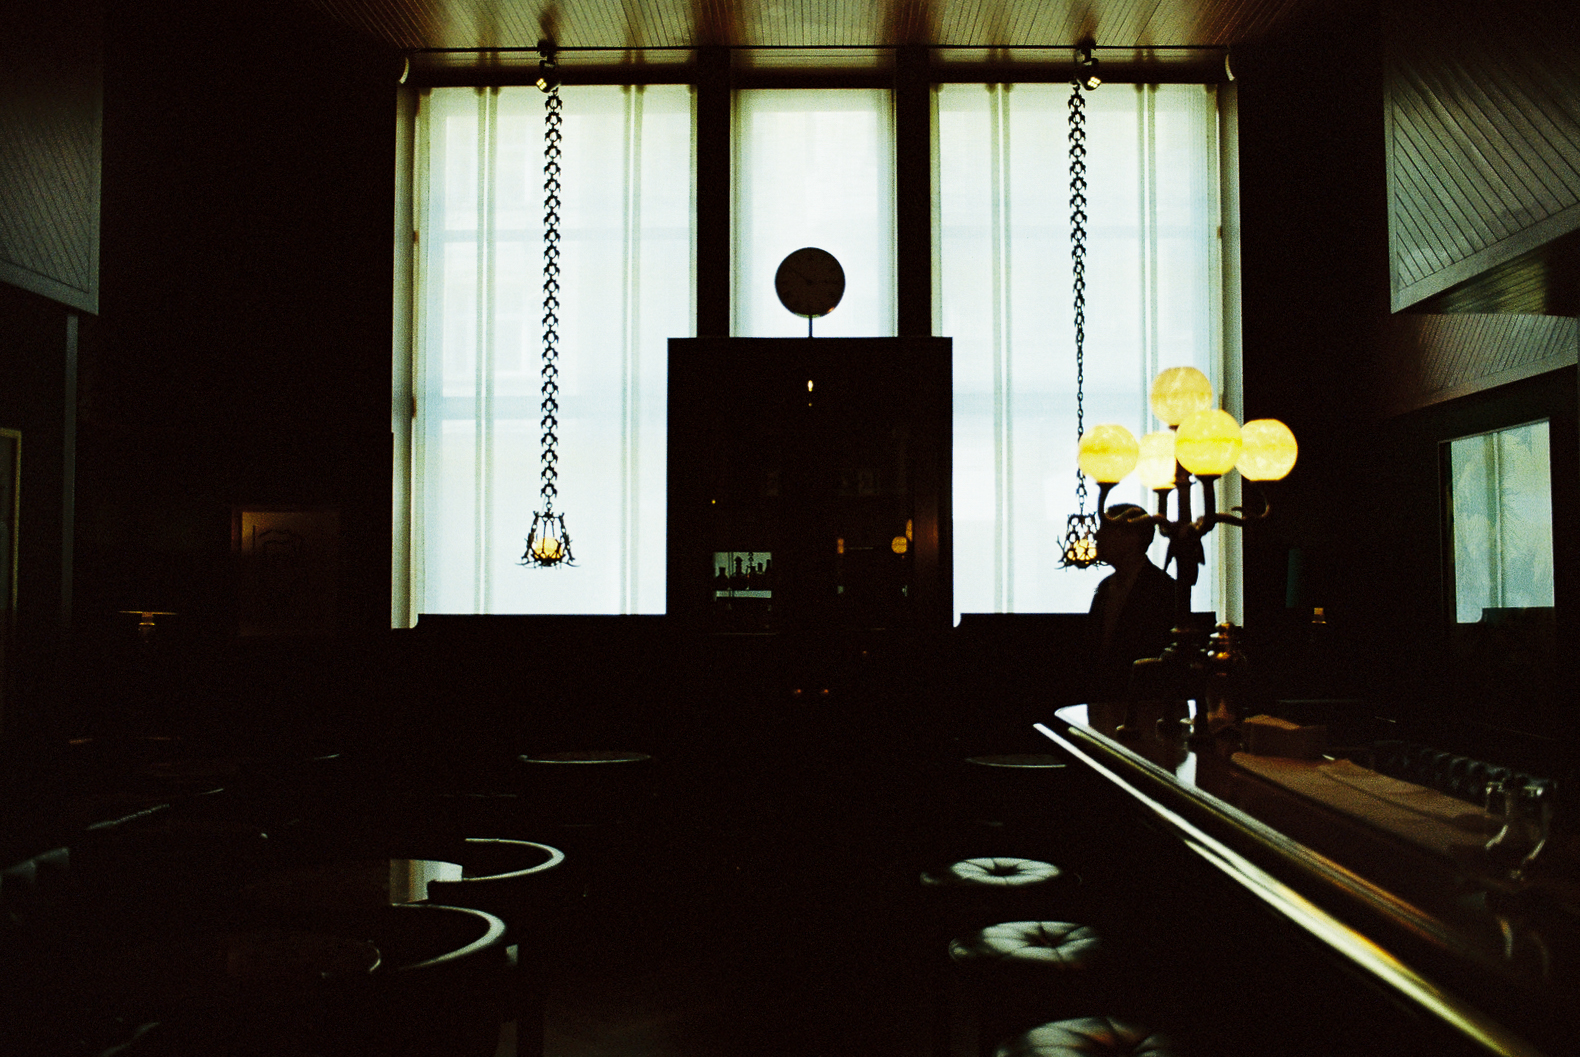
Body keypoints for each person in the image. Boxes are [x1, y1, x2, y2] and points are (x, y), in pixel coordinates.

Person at [1087, 503, 1178, 700]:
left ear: (1131, 538)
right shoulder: (1105, 587)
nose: (1097, 535)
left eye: (1106, 529)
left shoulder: (1164, 590)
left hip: (1144, 703)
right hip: (1105, 698)